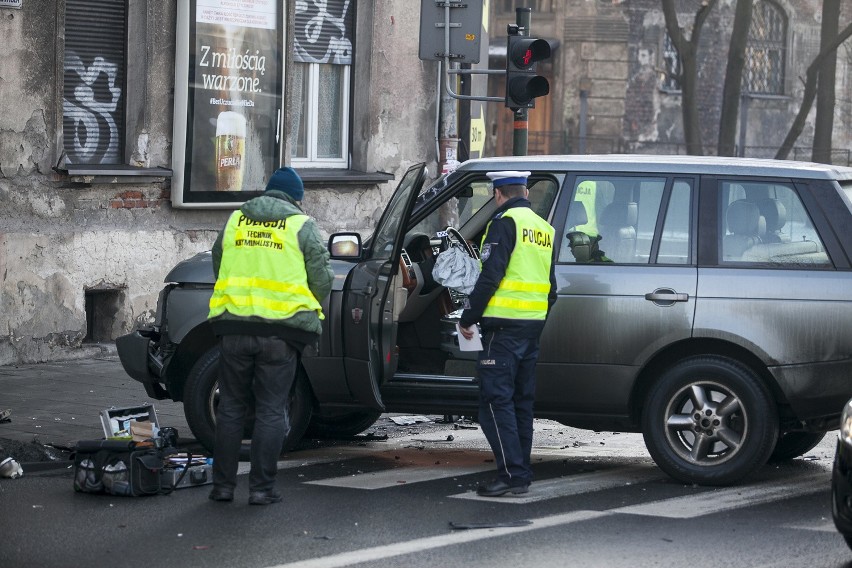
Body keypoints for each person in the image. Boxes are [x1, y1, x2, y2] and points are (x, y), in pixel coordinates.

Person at [207, 166, 333, 506]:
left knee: (231, 407)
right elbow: (322, 277)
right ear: (296, 198)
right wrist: (309, 304)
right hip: (280, 333)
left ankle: (222, 488)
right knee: (271, 410)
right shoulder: (300, 225)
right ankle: (261, 489)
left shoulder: (236, 220)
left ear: (266, 192)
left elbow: (218, 264)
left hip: (233, 330)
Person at [459, 170, 556, 497]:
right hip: (531, 329)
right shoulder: (545, 229)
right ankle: (520, 473)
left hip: (502, 330)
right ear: (525, 192)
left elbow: (490, 276)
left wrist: (468, 317)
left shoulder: (504, 224)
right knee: (521, 403)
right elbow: (551, 289)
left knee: (494, 403)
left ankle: (512, 475)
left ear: (498, 194)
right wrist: (536, 318)